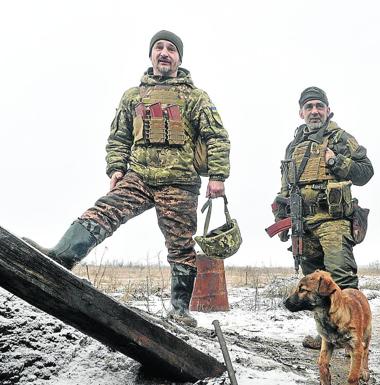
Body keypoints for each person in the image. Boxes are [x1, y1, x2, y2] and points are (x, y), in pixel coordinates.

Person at [25, 30, 230, 328]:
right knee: (104, 211)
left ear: (179, 58)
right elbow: (119, 137)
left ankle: (179, 310)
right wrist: (116, 169)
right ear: (150, 55)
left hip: (180, 182)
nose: (164, 52)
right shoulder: (133, 96)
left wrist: (218, 176)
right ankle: (61, 256)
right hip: (139, 176)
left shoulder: (195, 97)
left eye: (171, 49)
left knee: (181, 246)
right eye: (159, 47)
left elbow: (217, 137)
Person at [274, 87, 373, 348]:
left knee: (341, 277)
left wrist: (336, 162)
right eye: (309, 107)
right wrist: (281, 214)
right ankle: (326, 336)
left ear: (328, 110)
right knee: (313, 286)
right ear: (301, 113)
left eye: (319, 106)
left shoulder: (341, 138)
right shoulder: (293, 146)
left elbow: (366, 172)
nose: (315, 111)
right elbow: (287, 184)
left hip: (333, 220)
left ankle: (352, 333)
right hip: (303, 224)